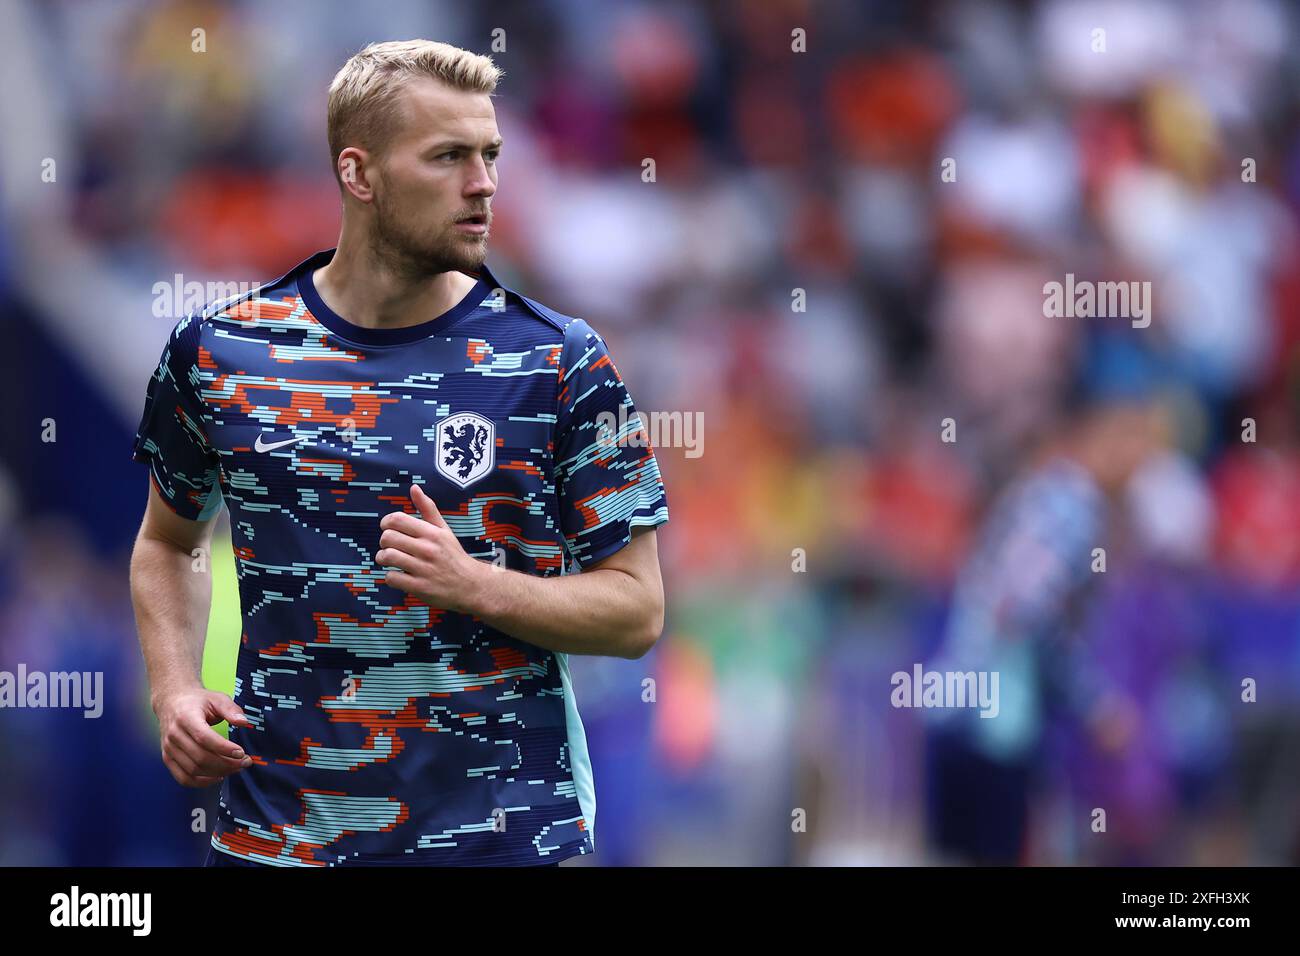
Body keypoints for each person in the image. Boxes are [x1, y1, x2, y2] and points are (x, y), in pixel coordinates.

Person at [128, 39, 670, 867]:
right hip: (280, 840)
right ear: (359, 174)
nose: (484, 182)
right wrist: (172, 688)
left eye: (490, 155)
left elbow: (638, 610)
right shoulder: (221, 355)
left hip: (498, 842)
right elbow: (166, 542)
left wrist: (475, 586)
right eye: (449, 157)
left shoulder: (559, 362)